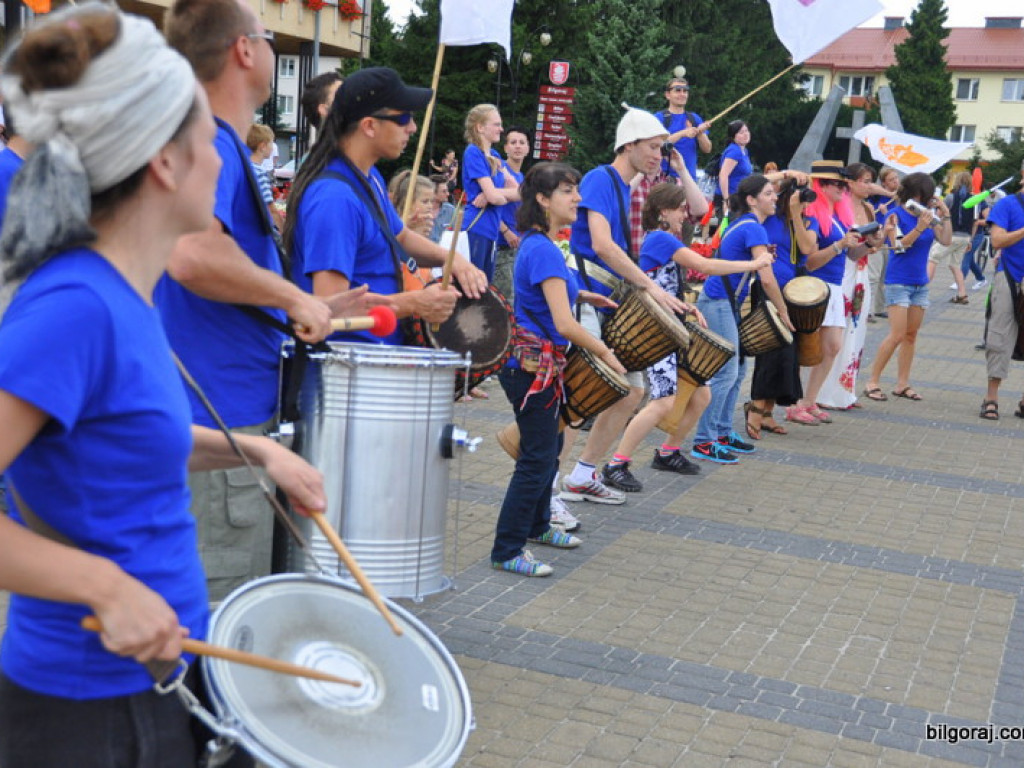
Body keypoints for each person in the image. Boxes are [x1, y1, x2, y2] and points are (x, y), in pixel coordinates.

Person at [0, 7, 325, 765]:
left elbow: (125, 442)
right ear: (164, 164)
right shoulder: (75, 308)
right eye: (208, 141)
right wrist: (104, 587)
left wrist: (255, 452)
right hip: (84, 712)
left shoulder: (125, 296)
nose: (223, 160)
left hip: (159, 684)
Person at [158, 0, 364, 602]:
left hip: (225, 414)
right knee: (218, 612)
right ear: (245, 49)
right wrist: (293, 298)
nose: (275, 50)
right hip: (219, 416)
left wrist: (291, 308)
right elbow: (192, 256)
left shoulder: (211, 138)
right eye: (269, 36)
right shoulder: (209, 140)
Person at [284, 67, 487, 347]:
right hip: (345, 361)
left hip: (371, 354)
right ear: (369, 126)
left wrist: (453, 261)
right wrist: (415, 302)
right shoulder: (335, 198)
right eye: (403, 118)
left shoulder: (368, 177)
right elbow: (327, 307)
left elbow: (399, 236)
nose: (412, 127)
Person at [492, 162, 624, 577]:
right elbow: (565, 325)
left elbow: (548, 293)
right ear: (543, 199)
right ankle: (507, 549)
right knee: (535, 459)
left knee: (547, 452)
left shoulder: (541, 244)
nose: (577, 198)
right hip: (532, 368)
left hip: (539, 366)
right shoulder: (543, 248)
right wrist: (605, 352)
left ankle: (537, 527)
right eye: (567, 191)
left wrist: (583, 294)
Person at [561, 107, 688, 500]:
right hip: (585, 296)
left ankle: (582, 474)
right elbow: (601, 245)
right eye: (652, 147)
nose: (658, 156)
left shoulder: (625, 186)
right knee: (580, 397)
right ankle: (545, 493)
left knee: (630, 392)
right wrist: (651, 288)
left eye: (661, 148)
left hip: (607, 302)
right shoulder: (601, 178)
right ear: (629, 144)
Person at [605, 183, 768, 483]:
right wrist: (754, 263)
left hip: (668, 327)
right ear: (663, 211)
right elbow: (704, 265)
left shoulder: (663, 238)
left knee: (701, 394)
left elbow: (660, 285)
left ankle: (668, 452)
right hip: (655, 331)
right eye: (680, 209)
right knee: (662, 402)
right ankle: (617, 464)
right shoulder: (661, 238)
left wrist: (685, 306)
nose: (685, 215)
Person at [690, 174, 790, 464]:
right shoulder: (754, 228)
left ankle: (722, 432)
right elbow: (767, 278)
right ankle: (704, 440)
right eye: (768, 193)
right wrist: (783, 311)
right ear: (751, 200)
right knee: (726, 372)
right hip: (719, 301)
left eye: (774, 193)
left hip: (724, 301)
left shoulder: (744, 224)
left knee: (738, 370)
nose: (775, 198)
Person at [862, 172, 953, 404]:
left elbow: (946, 240)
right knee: (896, 334)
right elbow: (898, 246)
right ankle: (872, 381)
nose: (925, 201)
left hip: (920, 282)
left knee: (911, 336)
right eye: (923, 196)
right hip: (898, 281)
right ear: (914, 194)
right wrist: (920, 228)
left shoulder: (927, 216)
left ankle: (902, 383)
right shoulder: (895, 215)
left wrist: (945, 215)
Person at [787, 161, 865, 425]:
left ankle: (809, 400)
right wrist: (839, 245)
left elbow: (850, 254)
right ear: (821, 185)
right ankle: (794, 403)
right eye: (837, 184)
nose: (843, 189)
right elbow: (810, 260)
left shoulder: (839, 216)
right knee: (805, 348)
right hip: (813, 287)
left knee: (832, 347)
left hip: (833, 286)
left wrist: (869, 245)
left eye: (845, 184)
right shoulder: (812, 215)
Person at [745, 178, 820, 438]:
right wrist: (786, 177)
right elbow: (753, 186)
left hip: (793, 293)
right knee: (770, 351)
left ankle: (767, 412)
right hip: (767, 289)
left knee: (787, 356)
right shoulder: (768, 216)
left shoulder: (808, 221)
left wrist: (797, 213)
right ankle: (756, 408)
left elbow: (807, 247)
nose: (805, 201)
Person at [817, 162, 885, 410]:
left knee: (856, 330)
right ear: (851, 183)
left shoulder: (868, 209)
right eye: (865, 181)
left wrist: (873, 242)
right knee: (836, 331)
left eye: (870, 181)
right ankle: (823, 392)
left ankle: (845, 391)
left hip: (860, 272)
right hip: (841, 271)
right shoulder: (839, 206)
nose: (869, 186)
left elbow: (861, 249)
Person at [978, 158, 1024, 421]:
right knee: (999, 337)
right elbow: (997, 240)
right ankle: (991, 397)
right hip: (1010, 276)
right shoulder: (1008, 205)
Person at [461, 104, 520, 281]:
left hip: (491, 230)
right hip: (477, 227)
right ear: (480, 127)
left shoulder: (494, 155)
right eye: (496, 124)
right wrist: (493, 195)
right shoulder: (473, 152)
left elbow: (518, 191)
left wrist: (491, 194)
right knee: (474, 286)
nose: (501, 129)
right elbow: (497, 197)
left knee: (484, 286)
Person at [492, 124, 530, 303]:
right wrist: (506, 231)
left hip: (516, 248)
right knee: (504, 301)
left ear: (528, 148)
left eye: (522, 142)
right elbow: (489, 204)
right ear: (505, 148)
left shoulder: (522, 178)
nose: (517, 146)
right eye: (513, 142)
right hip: (500, 246)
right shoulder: (499, 172)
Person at [927, 171, 973, 304]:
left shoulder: (950, 197)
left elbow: (938, 215)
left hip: (951, 236)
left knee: (933, 258)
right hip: (965, 237)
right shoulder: (974, 200)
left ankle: (921, 289)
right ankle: (962, 294)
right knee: (955, 265)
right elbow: (974, 222)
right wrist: (970, 239)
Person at [655, 76, 711, 181]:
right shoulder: (660, 118)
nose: (682, 94)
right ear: (668, 95)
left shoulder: (694, 118)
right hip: (665, 180)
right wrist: (683, 133)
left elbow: (707, 149)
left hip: (689, 180)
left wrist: (700, 133)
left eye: (685, 91)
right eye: (677, 90)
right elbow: (657, 146)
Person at [246, 123, 283, 231]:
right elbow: (270, 209)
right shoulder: (259, 172)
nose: (272, 147)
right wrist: (284, 231)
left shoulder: (245, 167)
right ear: (262, 146)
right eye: (271, 143)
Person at [717, 120, 752, 211]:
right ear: (733, 136)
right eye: (741, 132)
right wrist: (726, 199)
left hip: (741, 197)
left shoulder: (744, 151)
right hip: (732, 198)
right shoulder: (734, 151)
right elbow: (723, 175)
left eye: (746, 131)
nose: (745, 134)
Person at [388, 170, 435, 238]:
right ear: (407, 201)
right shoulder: (390, 224)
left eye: (432, 201)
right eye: (425, 201)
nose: (430, 206)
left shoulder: (425, 224)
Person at [428, 173, 455, 243]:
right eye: (444, 191)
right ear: (433, 193)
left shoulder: (451, 210)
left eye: (447, 190)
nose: (448, 194)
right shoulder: (421, 211)